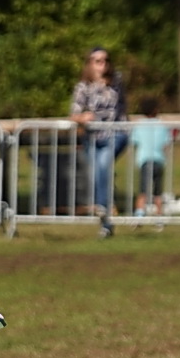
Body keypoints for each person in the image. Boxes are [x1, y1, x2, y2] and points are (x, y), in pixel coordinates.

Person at [70, 47, 127, 238]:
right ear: (90, 63)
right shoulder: (83, 86)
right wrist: (82, 117)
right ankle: (106, 225)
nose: (102, 64)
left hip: (115, 134)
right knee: (96, 174)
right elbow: (74, 113)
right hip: (92, 137)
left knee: (103, 167)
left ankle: (102, 206)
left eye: (105, 60)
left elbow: (121, 109)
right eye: (97, 60)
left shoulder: (117, 83)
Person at [128, 96, 170, 217]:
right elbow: (166, 143)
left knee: (143, 189)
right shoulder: (162, 125)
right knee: (158, 191)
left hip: (144, 160)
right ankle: (159, 214)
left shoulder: (139, 125)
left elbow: (134, 141)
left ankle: (139, 213)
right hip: (159, 160)